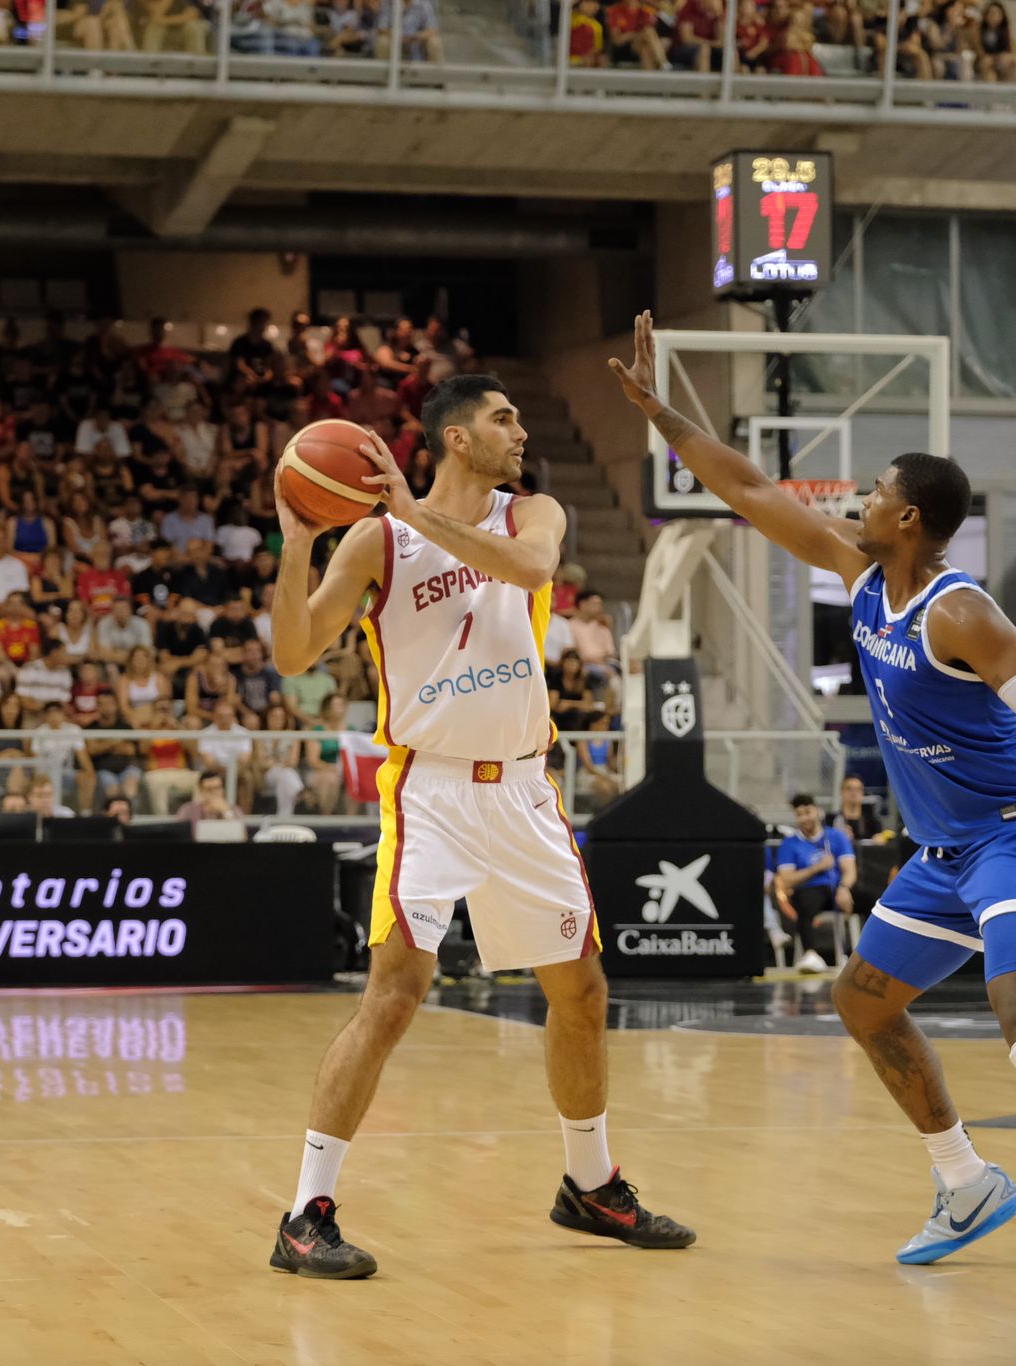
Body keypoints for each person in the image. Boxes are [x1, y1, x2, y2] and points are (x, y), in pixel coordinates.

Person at [609, 311, 1016, 1310]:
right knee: (863, 1000)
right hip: (943, 849)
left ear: (909, 516)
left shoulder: (958, 612)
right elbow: (743, 487)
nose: (858, 499)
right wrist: (661, 413)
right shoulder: (856, 573)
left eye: (875, 491)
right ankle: (964, 1182)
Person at [264, 372, 692, 1280]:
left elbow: (533, 571)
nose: (521, 431)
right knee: (396, 992)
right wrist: (299, 543)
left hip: (525, 790)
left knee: (581, 991)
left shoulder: (531, 514)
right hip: (431, 791)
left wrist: (418, 512)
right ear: (458, 437)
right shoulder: (377, 543)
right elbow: (295, 650)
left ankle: (589, 1182)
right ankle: (304, 1213)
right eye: (505, 419)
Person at [774, 792, 857, 972]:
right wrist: (816, 868)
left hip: (837, 888)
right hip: (810, 889)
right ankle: (810, 954)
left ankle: (872, 955)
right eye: (799, 814)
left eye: (808, 812)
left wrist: (844, 888)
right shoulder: (789, 843)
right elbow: (787, 880)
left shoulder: (836, 837)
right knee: (804, 903)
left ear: (817, 812)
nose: (804, 818)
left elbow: (849, 870)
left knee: (874, 900)